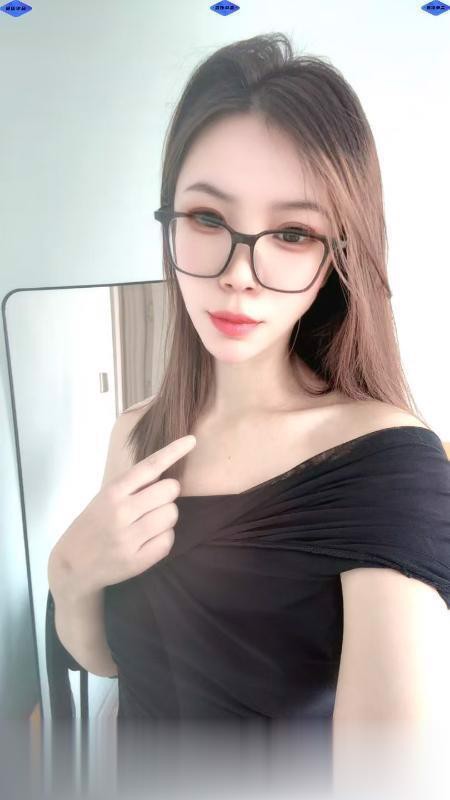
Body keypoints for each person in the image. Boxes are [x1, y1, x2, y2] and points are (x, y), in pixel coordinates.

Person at [50, 31, 450, 794]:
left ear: (337, 255)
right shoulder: (135, 436)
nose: (239, 274)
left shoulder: (389, 467)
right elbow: (107, 659)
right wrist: (70, 574)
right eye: (207, 218)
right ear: (169, 219)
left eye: (292, 233)